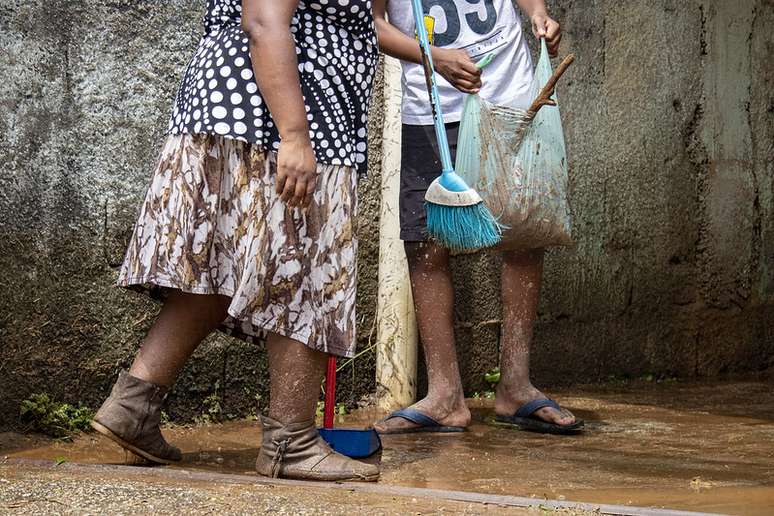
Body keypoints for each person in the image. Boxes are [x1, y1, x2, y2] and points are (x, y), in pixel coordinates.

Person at [90, 0, 380, 481]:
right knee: (303, 269)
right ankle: (291, 441)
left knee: (223, 266)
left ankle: (132, 405)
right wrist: (294, 134)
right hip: (285, 110)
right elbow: (264, 18)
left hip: (244, 105)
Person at [373, 0, 583, 434]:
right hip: (431, 109)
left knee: (523, 234)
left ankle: (516, 385)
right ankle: (445, 396)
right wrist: (433, 58)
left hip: (510, 97)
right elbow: (376, 25)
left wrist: (537, 13)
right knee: (426, 245)